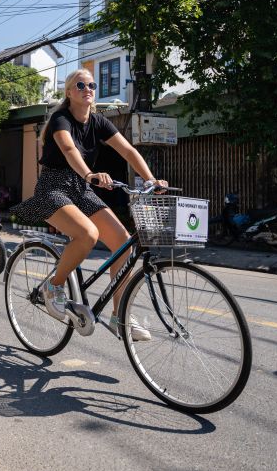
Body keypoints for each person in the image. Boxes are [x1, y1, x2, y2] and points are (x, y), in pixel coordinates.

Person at [12, 68, 167, 340]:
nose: (87, 89)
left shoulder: (98, 122)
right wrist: (89, 174)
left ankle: (120, 317)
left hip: (81, 189)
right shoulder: (61, 119)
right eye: (80, 85)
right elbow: (70, 149)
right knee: (87, 234)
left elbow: (129, 151)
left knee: (122, 243)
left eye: (91, 85)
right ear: (69, 92)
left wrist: (151, 179)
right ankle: (53, 286)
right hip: (53, 187)